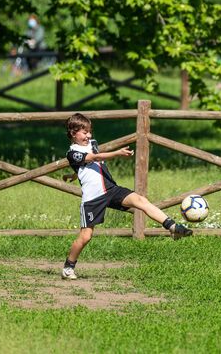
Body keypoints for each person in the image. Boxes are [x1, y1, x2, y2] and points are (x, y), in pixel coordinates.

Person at [61, 113, 192, 280]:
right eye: (84, 132)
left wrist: (73, 175)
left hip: (111, 189)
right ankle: (68, 266)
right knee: (86, 236)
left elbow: (90, 164)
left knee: (140, 201)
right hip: (93, 199)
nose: (89, 136)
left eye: (90, 132)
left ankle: (173, 228)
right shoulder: (72, 153)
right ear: (73, 133)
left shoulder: (92, 144)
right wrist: (117, 153)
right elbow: (94, 158)